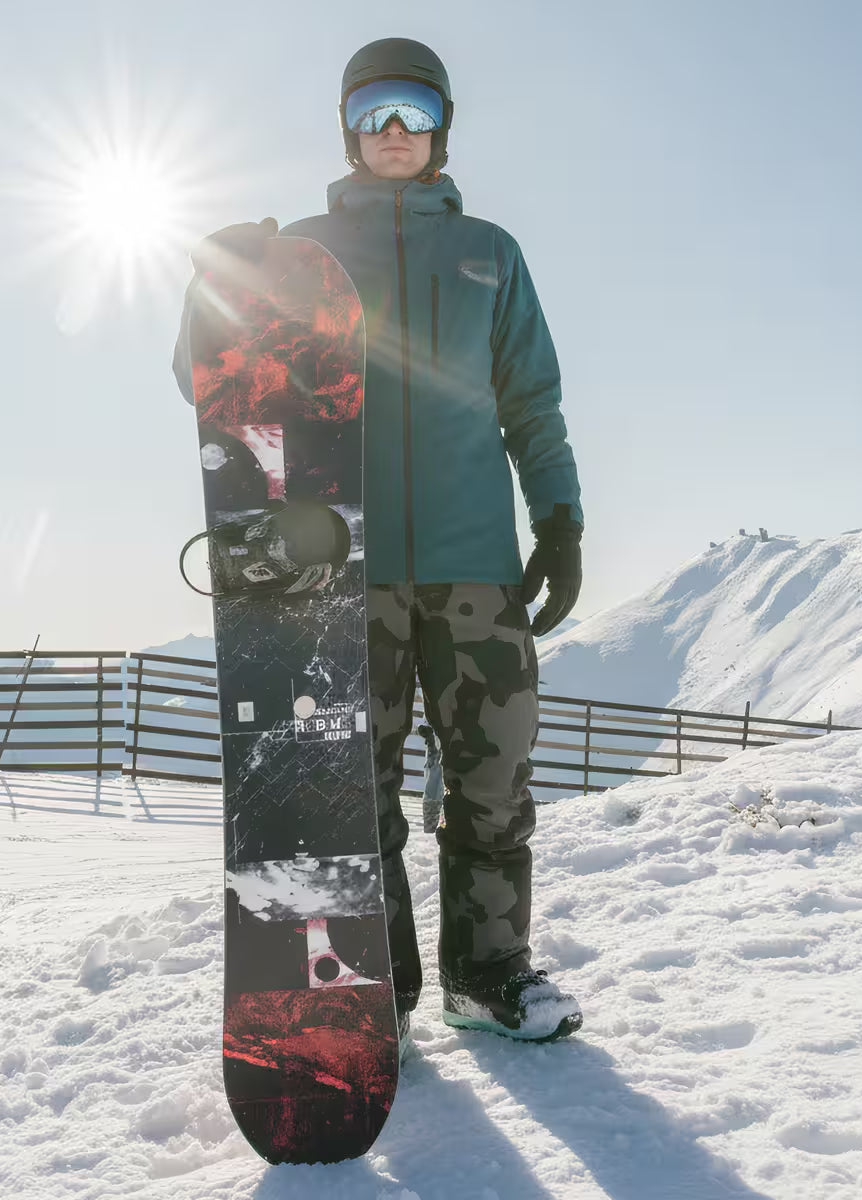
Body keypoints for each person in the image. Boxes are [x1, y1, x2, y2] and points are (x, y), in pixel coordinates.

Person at [175, 37, 584, 1043]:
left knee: (493, 785)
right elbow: (214, 387)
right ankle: (376, 996)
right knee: (355, 800)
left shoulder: (490, 251)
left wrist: (561, 517)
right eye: (372, 112)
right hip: (344, 571)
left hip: (474, 564)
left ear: (442, 122)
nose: (393, 131)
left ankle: (491, 977)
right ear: (348, 130)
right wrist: (215, 284)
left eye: (411, 108)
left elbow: (533, 402)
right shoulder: (300, 256)